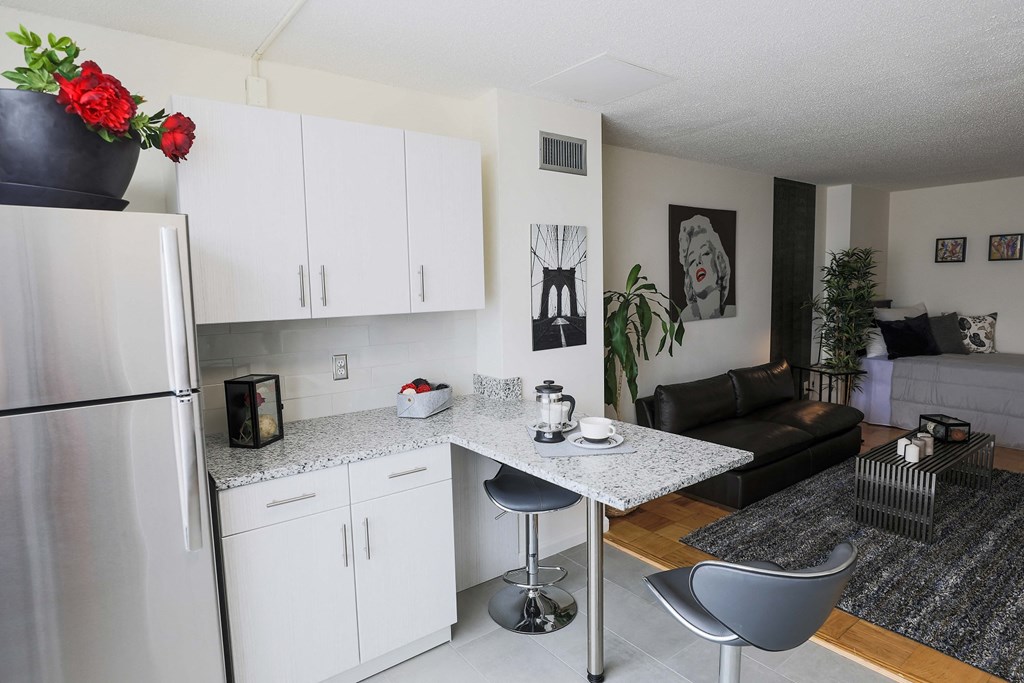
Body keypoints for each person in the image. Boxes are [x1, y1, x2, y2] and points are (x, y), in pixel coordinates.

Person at [677, 215, 731, 320]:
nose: (698, 262)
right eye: (692, 260)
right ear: (689, 280)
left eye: (705, 253)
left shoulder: (731, 311)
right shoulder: (685, 318)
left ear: (719, 264)